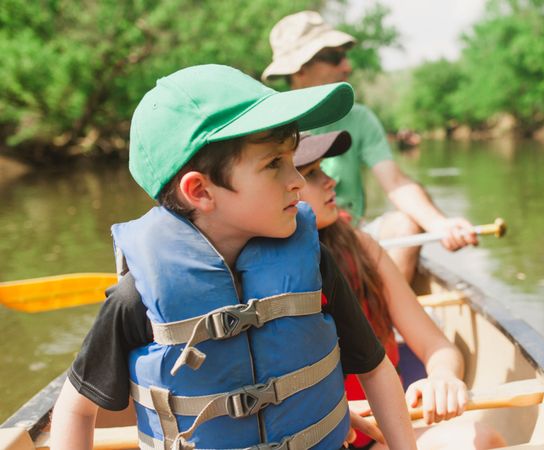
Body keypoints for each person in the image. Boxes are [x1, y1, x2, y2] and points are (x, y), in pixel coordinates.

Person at [50, 64, 417, 450]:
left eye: (292, 160)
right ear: (201, 191)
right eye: (274, 164)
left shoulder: (315, 262)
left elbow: (375, 371)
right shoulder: (136, 299)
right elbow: (75, 411)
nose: (296, 181)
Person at [293, 131, 507, 450]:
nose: (330, 181)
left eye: (324, 169)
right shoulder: (252, 273)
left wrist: (444, 376)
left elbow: (436, 345)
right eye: (312, 174)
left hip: (378, 439)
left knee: (481, 439)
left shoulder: (361, 247)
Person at [261, 10, 479, 283]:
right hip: (294, 242)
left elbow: (395, 182)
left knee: (405, 224)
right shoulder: (269, 126)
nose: (347, 66)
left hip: (352, 235)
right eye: (334, 57)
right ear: (299, 69)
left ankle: (382, 319)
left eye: (345, 56)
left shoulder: (359, 118)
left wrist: (439, 224)